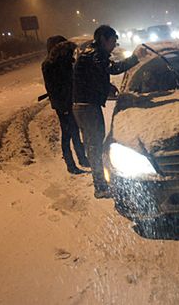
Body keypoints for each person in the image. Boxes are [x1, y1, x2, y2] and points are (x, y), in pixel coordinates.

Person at [72, 25, 144, 199]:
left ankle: (100, 182)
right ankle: (100, 186)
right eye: (113, 41)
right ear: (103, 39)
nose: (114, 45)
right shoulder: (95, 55)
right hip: (87, 107)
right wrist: (136, 58)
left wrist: (106, 86)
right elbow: (114, 68)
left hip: (83, 105)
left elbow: (94, 76)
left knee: (92, 143)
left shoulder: (89, 53)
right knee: (95, 145)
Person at [42, 35, 90, 174]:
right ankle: (70, 164)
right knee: (67, 134)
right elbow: (53, 88)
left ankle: (82, 159)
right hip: (62, 105)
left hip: (70, 102)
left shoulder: (65, 60)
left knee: (75, 131)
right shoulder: (49, 65)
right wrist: (62, 106)